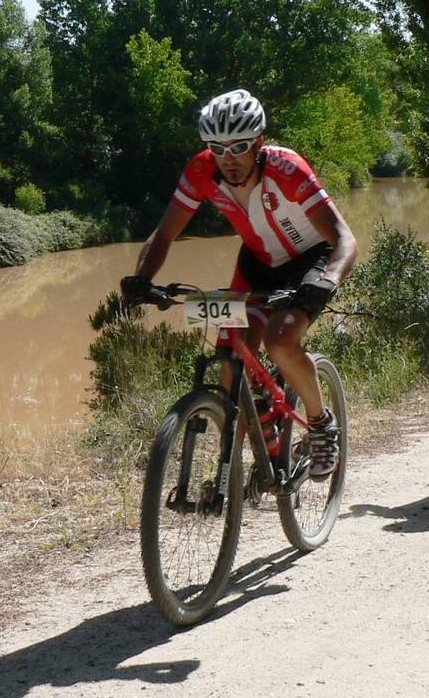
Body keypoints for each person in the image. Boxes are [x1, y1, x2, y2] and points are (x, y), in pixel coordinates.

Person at [123, 89, 358, 476]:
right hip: (257, 264)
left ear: (260, 143)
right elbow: (164, 234)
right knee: (230, 365)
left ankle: (321, 424)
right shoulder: (201, 171)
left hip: (309, 263)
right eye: (217, 147)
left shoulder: (287, 169)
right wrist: (142, 279)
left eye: (240, 146)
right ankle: (242, 467)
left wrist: (328, 279)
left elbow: (345, 238)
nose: (229, 159)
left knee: (280, 340)